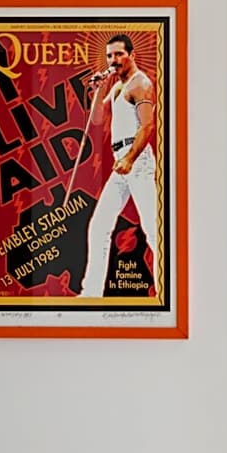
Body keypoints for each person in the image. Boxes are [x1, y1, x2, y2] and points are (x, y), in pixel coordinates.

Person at [79, 33, 157, 297]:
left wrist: (129, 158)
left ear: (131, 55)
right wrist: (100, 87)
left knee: (153, 228)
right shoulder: (116, 88)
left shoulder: (141, 83)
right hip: (119, 162)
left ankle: (167, 288)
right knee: (99, 225)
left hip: (136, 160)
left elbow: (147, 126)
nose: (114, 60)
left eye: (119, 54)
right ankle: (90, 294)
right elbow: (98, 119)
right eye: (110, 55)